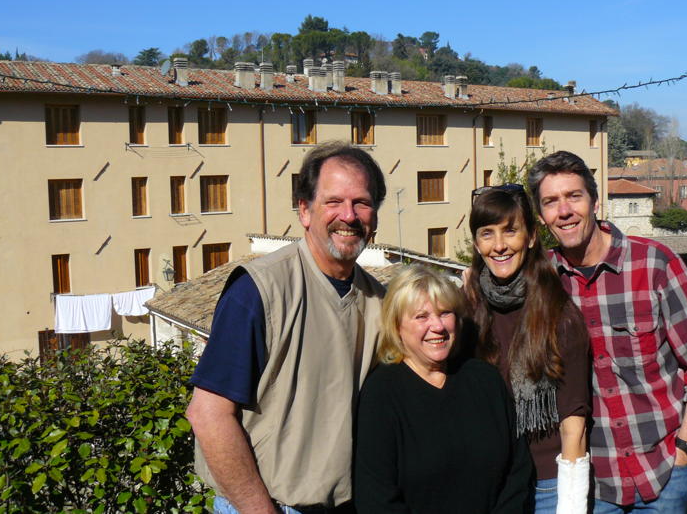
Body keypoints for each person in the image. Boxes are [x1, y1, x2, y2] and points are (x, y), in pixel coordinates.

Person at [186, 141, 387, 514]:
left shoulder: (380, 302)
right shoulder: (258, 290)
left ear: (374, 216)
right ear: (304, 211)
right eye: (333, 201)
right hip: (265, 506)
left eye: (361, 202)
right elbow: (208, 415)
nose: (349, 215)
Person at [526, 151, 687, 513]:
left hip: (665, 475)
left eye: (574, 196)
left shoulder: (655, 263)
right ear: (541, 216)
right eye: (551, 202)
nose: (564, 211)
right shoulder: (542, 281)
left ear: (595, 202)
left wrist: (685, 450)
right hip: (595, 487)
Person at [354, 265, 533, 514]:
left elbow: (518, 470)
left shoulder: (485, 380)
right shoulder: (381, 394)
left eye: (445, 313)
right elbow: (376, 497)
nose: (437, 326)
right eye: (421, 316)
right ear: (396, 326)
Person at [465, 183, 591, 514]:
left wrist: (570, 506)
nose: (499, 246)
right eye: (487, 234)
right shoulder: (467, 310)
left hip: (546, 485)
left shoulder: (559, 316)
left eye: (510, 231)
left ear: (532, 236)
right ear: (476, 244)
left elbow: (573, 424)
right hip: (490, 482)